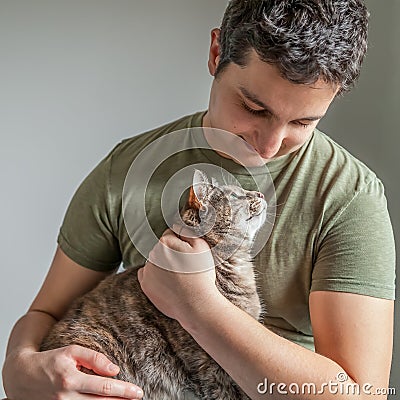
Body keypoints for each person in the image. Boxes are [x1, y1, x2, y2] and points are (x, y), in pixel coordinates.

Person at [2, 1, 396, 399]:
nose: (269, 145)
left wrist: (199, 307)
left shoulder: (348, 197)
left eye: (302, 123)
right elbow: (45, 316)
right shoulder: (127, 169)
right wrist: (19, 368)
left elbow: (363, 396)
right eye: (253, 108)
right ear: (216, 53)